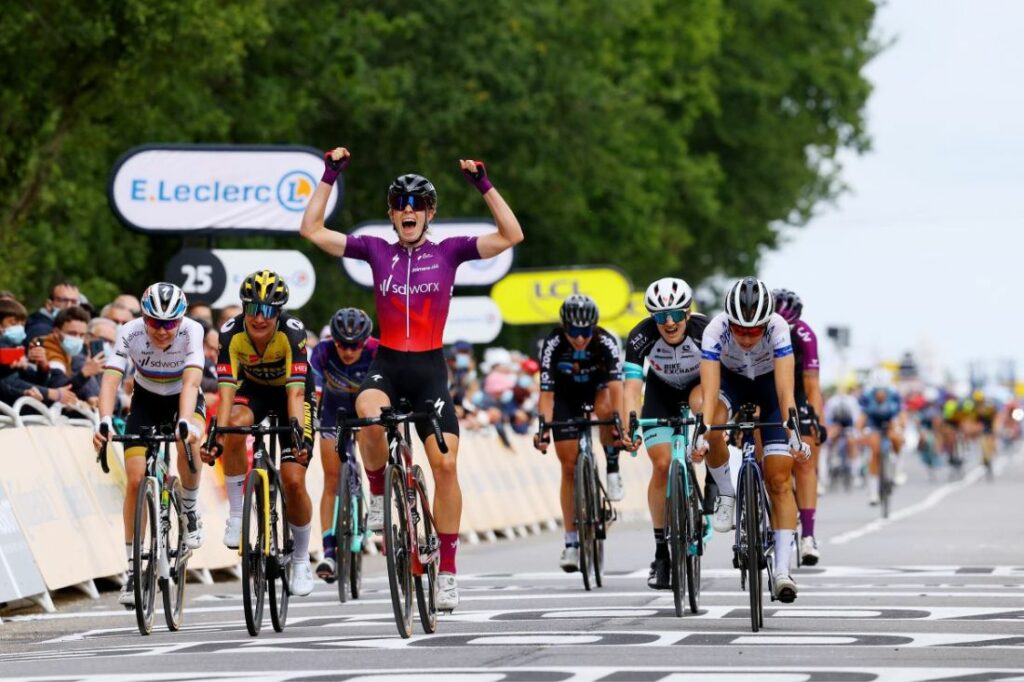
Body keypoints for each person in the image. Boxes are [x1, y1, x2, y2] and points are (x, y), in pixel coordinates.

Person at [300, 146, 523, 611]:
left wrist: (483, 184)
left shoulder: (450, 251)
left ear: (429, 213)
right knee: (367, 414)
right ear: (391, 213)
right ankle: (380, 491)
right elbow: (312, 230)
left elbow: (511, 234)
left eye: (416, 204)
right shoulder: (375, 249)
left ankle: (447, 570)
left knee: (444, 465)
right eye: (400, 204)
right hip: (389, 364)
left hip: (428, 370)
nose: (408, 211)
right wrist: (329, 175)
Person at [199, 270, 318, 596]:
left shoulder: (292, 334)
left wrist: (297, 437)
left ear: (278, 312)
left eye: (268, 311)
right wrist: (216, 435)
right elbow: (225, 391)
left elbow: (295, 395)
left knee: (294, 479)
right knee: (234, 424)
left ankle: (300, 557)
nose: (259, 318)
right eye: (253, 309)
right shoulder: (230, 333)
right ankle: (237, 516)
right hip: (254, 391)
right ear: (244, 308)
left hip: (292, 394)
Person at [694, 277, 810, 603]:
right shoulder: (715, 330)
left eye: (753, 330)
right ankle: (727, 494)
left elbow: (787, 391)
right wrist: (702, 432)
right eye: (739, 330)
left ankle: (784, 571)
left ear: (765, 323)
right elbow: (709, 389)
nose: (746, 337)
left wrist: (794, 432)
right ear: (729, 322)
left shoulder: (777, 328)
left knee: (779, 479)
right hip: (730, 383)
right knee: (714, 422)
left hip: (768, 386)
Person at [93, 283, 207, 607]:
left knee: (191, 441)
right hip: (145, 401)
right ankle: (132, 570)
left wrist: (184, 421)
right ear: (143, 317)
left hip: (183, 399)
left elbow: (192, 382)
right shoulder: (129, 331)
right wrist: (102, 418)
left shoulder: (192, 331)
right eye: (154, 322)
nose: (161, 330)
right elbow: (111, 378)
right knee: (133, 480)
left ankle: (190, 506)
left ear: (181, 320)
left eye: (170, 323)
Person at [622, 277, 712, 589]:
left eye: (675, 314)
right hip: (660, 392)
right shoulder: (640, 337)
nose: (669, 322)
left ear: (688, 313)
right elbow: (632, 388)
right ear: (652, 318)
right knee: (661, 466)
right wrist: (630, 424)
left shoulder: (706, 331)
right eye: (660, 317)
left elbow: (721, 380)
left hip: (698, 388)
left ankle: (711, 479)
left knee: (703, 405)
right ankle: (661, 552)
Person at [534, 294, 625, 572]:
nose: (581, 338)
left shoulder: (606, 341)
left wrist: (620, 424)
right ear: (564, 327)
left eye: (586, 332)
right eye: (574, 332)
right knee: (569, 467)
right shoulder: (553, 343)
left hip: (598, 390)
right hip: (565, 397)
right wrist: (543, 430)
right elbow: (546, 394)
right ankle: (571, 543)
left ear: (594, 328)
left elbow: (617, 388)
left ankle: (612, 466)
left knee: (608, 407)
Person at [308, 308, 379, 582]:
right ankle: (328, 551)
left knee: (373, 440)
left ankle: (375, 501)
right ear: (333, 340)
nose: (348, 351)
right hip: (333, 413)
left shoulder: (376, 350)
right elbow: (312, 388)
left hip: (365, 411)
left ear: (366, 341)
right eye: (343, 345)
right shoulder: (323, 352)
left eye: (355, 345)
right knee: (331, 479)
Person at [773, 288, 824, 566]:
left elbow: (813, 385)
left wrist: (816, 419)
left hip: (797, 392)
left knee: (806, 460)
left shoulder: (805, 335)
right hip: (766, 389)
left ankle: (808, 536)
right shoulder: (758, 330)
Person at [860, 383, 905, 505]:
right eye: (878, 393)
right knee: (874, 452)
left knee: (896, 438)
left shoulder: (893, 397)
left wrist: (900, 428)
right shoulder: (868, 398)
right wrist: (860, 432)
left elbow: (901, 416)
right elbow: (862, 418)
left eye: (882, 393)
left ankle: (897, 471)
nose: (880, 396)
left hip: (890, 421)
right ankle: (873, 493)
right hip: (874, 424)